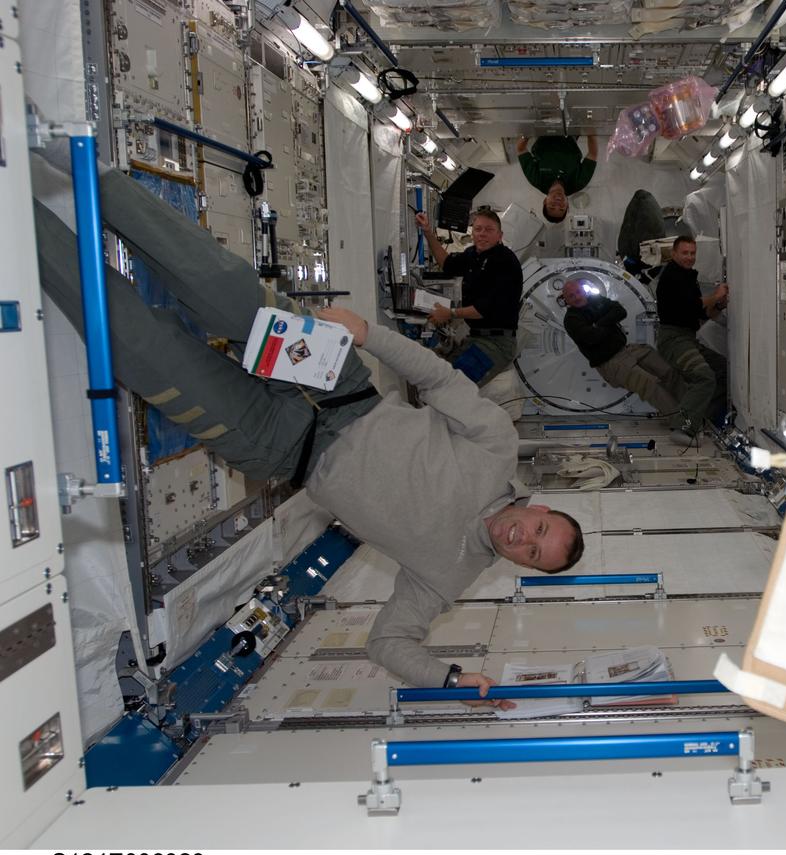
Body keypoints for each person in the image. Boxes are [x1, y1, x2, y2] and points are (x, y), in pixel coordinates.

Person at [29, 151, 583, 706]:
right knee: (207, 279)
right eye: (539, 532)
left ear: (518, 567)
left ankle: (23, 222)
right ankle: (69, 159)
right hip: (335, 381)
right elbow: (438, 379)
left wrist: (450, 679)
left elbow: (389, 643)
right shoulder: (496, 447)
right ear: (539, 509)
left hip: (279, 446)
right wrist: (367, 334)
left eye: (533, 555)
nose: (523, 541)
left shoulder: (445, 576)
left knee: (140, 349)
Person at [416, 206, 523, 387]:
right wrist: (427, 232)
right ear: (472, 233)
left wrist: (449, 313)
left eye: (489, 230)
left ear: (500, 235)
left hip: (496, 344)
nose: (482, 234)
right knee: (439, 377)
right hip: (476, 337)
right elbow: (447, 263)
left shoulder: (505, 261)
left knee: (452, 387)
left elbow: (484, 310)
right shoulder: (473, 255)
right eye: (478, 229)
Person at [560, 276, 683, 415]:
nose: (577, 297)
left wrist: (598, 324)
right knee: (650, 385)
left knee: (667, 371)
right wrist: (609, 322)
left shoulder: (596, 300)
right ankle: (683, 422)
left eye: (578, 292)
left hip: (627, 349)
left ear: (583, 290)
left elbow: (621, 311)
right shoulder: (571, 319)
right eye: (571, 296)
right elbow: (592, 337)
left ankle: (693, 407)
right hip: (611, 363)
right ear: (566, 301)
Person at [655, 236, 729, 442]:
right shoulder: (672, 276)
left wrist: (719, 305)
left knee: (723, 370)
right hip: (674, 340)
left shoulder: (688, 277)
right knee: (704, 377)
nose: (689, 257)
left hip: (687, 338)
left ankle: (701, 419)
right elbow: (692, 305)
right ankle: (683, 427)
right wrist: (716, 295)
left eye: (693, 253)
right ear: (674, 254)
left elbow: (700, 313)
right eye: (685, 253)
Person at [517, 135, 598, 224]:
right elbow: (592, 154)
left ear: (545, 201)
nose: (558, 203)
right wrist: (590, 131)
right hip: (570, 133)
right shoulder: (579, 182)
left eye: (552, 206)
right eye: (562, 208)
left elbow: (521, 150)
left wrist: (527, 131)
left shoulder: (536, 179)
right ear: (567, 205)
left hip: (542, 132)